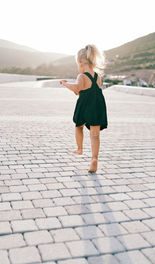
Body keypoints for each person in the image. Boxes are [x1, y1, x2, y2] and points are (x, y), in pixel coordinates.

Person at [60, 44, 108, 173]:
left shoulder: (81, 76)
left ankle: (80, 148)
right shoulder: (98, 77)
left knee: (79, 126)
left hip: (85, 105)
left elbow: (77, 88)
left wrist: (65, 84)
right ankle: (94, 158)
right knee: (95, 135)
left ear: (81, 63)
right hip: (98, 105)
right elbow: (89, 90)